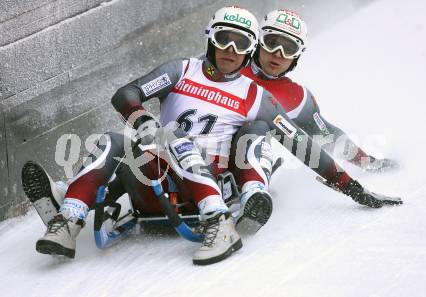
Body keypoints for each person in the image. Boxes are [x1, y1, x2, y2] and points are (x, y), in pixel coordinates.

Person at [22, 6, 401, 266]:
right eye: (225, 39)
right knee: (111, 141)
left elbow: (308, 142)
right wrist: (140, 119)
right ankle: (67, 216)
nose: (232, 51)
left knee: (240, 137)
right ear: (212, 38)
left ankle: (225, 218)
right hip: (159, 169)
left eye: (242, 44)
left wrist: (356, 184)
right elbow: (126, 94)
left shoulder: (264, 97)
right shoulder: (182, 68)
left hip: (212, 176)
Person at [241, 9, 398, 172]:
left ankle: (252, 181)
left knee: (256, 127)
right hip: (215, 157)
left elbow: (328, 135)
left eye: (289, 49)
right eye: (271, 42)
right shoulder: (228, 65)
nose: (277, 54)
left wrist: (366, 162)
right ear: (259, 42)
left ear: (296, 56)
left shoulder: (298, 99)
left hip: (242, 169)